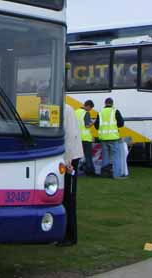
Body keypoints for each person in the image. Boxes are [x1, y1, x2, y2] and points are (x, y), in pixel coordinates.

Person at [60, 104, 83, 245]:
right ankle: (63, 232)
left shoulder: (66, 110)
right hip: (62, 158)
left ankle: (71, 236)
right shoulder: (52, 109)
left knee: (69, 196)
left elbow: (70, 136)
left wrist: (67, 160)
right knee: (62, 196)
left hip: (70, 158)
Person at [94, 97, 126, 179]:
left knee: (105, 156)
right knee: (116, 156)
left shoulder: (100, 112)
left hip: (103, 138)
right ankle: (116, 174)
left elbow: (96, 126)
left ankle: (105, 174)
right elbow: (121, 123)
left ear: (105, 103)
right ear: (112, 103)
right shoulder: (115, 111)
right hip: (113, 137)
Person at [75, 100, 95, 175]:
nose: (90, 110)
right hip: (86, 138)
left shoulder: (76, 112)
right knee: (88, 156)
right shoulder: (86, 113)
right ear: (88, 106)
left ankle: (76, 170)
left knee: (77, 156)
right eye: (90, 108)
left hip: (77, 137)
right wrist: (93, 122)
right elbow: (87, 125)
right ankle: (90, 171)